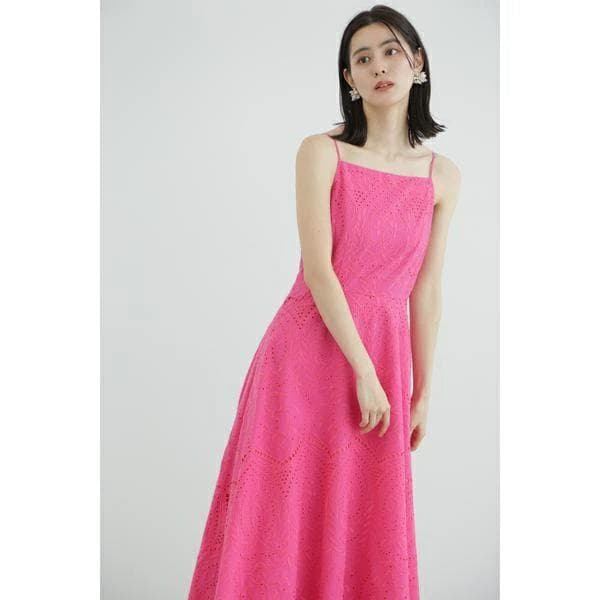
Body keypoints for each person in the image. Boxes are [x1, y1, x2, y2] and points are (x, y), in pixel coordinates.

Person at [187, 5, 460, 599]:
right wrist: (365, 371)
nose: (378, 66)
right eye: (362, 58)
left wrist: (421, 391)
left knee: (360, 515)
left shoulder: (441, 175)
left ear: (417, 63)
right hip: (306, 356)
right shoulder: (321, 151)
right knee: (282, 515)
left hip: (385, 360)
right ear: (348, 78)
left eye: (391, 52)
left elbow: (427, 289)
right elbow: (319, 271)